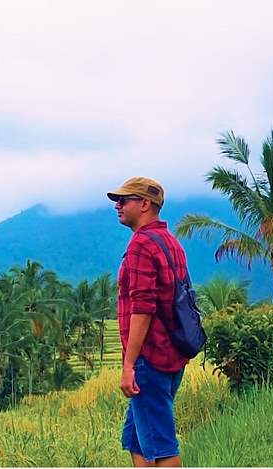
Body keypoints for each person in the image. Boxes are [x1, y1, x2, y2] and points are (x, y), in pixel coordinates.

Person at [107, 176, 191, 467]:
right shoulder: (170, 242)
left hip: (149, 358)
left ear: (145, 204)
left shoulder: (141, 245)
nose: (117, 205)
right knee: (136, 439)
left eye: (124, 200)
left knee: (163, 445)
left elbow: (142, 308)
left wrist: (129, 365)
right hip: (171, 355)